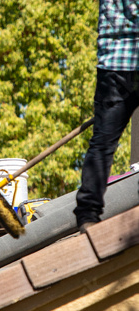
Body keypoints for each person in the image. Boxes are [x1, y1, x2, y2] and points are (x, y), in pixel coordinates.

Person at [74, 0, 139, 232]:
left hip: (114, 62)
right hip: (119, 61)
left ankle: (87, 216)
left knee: (102, 144)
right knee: (102, 144)